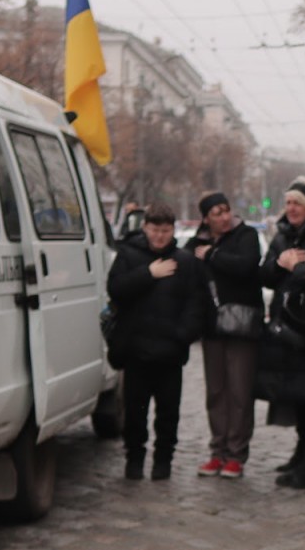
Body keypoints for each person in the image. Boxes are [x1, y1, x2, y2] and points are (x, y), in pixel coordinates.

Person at [107, 203, 214, 480]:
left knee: (168, 412)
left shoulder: (186, 262)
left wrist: (182, 335)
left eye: (165, 231)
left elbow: (197, 303)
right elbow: (115, 290)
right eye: (155, 230)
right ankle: (134, 458)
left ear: (173, 230)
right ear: (145, 228)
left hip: (170, 351)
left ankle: (163, 460)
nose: (159, 236)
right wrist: (148, 274)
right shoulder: (129, 255)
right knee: (135, 412)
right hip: (136, 350)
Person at [189, 193, 262, 479]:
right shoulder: (197, 241)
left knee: (240, 391)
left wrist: (212, 255)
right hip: (212, 327)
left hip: (242, 325)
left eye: (226, 210)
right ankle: (217, 451)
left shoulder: (246, 236)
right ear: (206, 218)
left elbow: (246, 266)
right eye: (216, 212)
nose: (223, 217)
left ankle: (236, 454)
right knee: (216, 391)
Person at [257, 180, 305, 489]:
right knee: (295, 394)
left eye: (297, 203)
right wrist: (281, 263)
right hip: (284, 322)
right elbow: (265, 275)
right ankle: (302, 452)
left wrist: (297, 267)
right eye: (288, 203)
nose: (292, 208)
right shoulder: (283, 234)